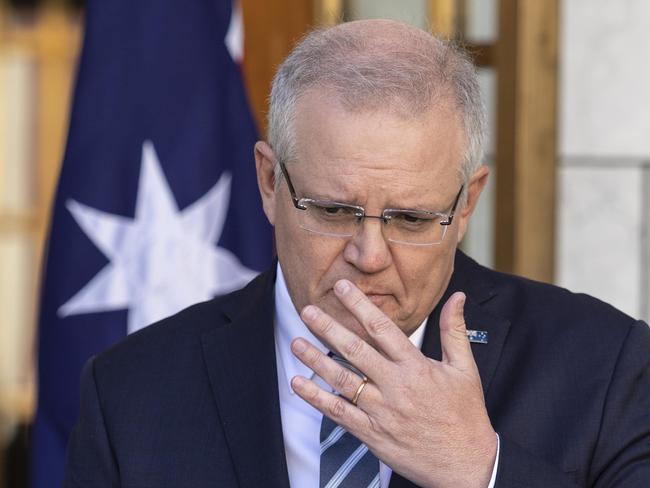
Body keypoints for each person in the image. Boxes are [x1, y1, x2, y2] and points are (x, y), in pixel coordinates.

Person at [63, 19, 650, 487]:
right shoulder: (131, 391)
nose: (369, 255)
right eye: (334, 211)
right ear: (270, 183)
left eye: (413, 218)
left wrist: (481, 472)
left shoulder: (604, 366)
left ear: (466, 204)